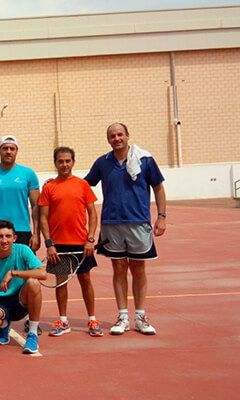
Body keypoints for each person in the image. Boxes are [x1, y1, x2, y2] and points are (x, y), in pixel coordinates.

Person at [84, 122, 167, 335]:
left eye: (120, 134)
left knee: (138, 269)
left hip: (139, 223)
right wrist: (58, 183)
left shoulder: (145, 160)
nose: (116, 138)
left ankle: (140, 316)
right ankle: (122, 317)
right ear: (108, 139)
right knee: (118, 268)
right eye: (112, 136)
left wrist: (162, 217)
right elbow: (85, 186)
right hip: (112, 224)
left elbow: (158, 188)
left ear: (127, 135)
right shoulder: (102, 162)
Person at [38, 147, 103, 337]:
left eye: (68, 161)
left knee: (85, 280)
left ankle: (92, 320)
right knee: (61, 282)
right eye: (60, 161)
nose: (64, 164)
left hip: (81, 244)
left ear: (73, 162)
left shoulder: (82, 185)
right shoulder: (49, 188)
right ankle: (63, 321)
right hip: (58, 246)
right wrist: (49, 244)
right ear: (55, 163)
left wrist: (90, 239)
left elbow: (92, 214)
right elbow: (43, 218)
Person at [0, 220, 45, 354]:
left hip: (20, 300)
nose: (4, 240)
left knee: (33, 283)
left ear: (14, 238)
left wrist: (13, 272)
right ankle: (4, 324)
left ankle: (32, 334)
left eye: (8, 236)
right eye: (0, 236)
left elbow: (42, 273)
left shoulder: (23, 250)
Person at [0, 135, 40, 252]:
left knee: (25, 269)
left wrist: (36, 234)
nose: (8, 152)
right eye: (5, 148)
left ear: (17, 151)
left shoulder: (28, 174)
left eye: (12, 148)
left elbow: (36, 206)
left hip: (22, 230)